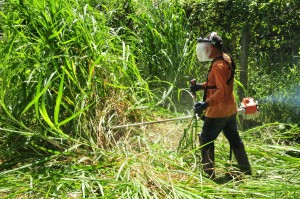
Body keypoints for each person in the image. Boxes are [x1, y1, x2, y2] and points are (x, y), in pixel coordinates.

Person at [190, 32, 251, 179]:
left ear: (213, 47)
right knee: (235, 140)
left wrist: (206, 103)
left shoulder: (218, 65)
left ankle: (208, 175)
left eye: (207, 47)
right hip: (230, 110)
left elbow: (221, 90)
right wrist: (200, 86)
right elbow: (217, 85)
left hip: (217, 112)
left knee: (206, 140)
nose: (204, 50)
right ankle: (246, 170)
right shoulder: (226, 59)